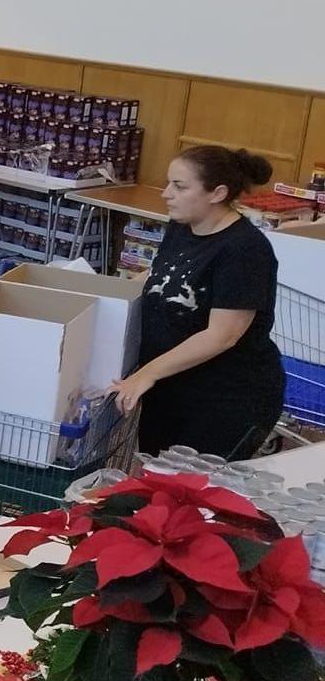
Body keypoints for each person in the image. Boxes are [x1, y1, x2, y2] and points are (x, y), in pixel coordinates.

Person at [109, 147, 283, 459]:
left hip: (226, 398)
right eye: (168, 183)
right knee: (157, 480)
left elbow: (223, 335)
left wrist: (147, 373)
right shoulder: (182, 225)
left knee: (194, 492)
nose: (165, 194)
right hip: (171, 387)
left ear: (217, 193)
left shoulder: (245, 251)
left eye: (179, 186)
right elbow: (161, 274)